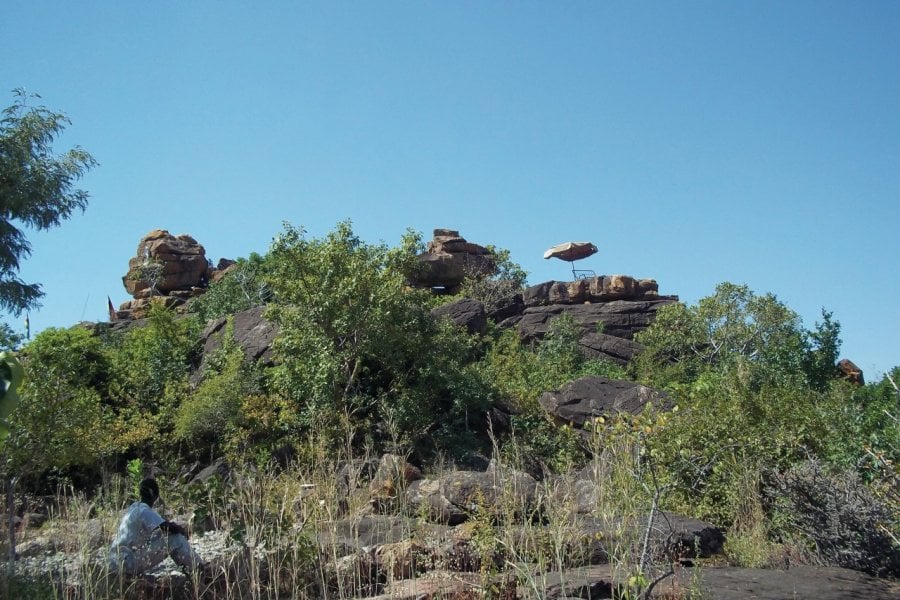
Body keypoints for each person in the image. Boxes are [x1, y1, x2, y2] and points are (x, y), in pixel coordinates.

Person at [108, 477, 204, 576]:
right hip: (127, 563)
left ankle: (193, 568)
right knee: (174, 539)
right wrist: (182, 530)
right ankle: (197, 570)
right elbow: (168, 528)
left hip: (116, 561)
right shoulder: (144, 511)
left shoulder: (134, 508)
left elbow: (158, 529)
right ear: (155, 496)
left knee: (165, 536)